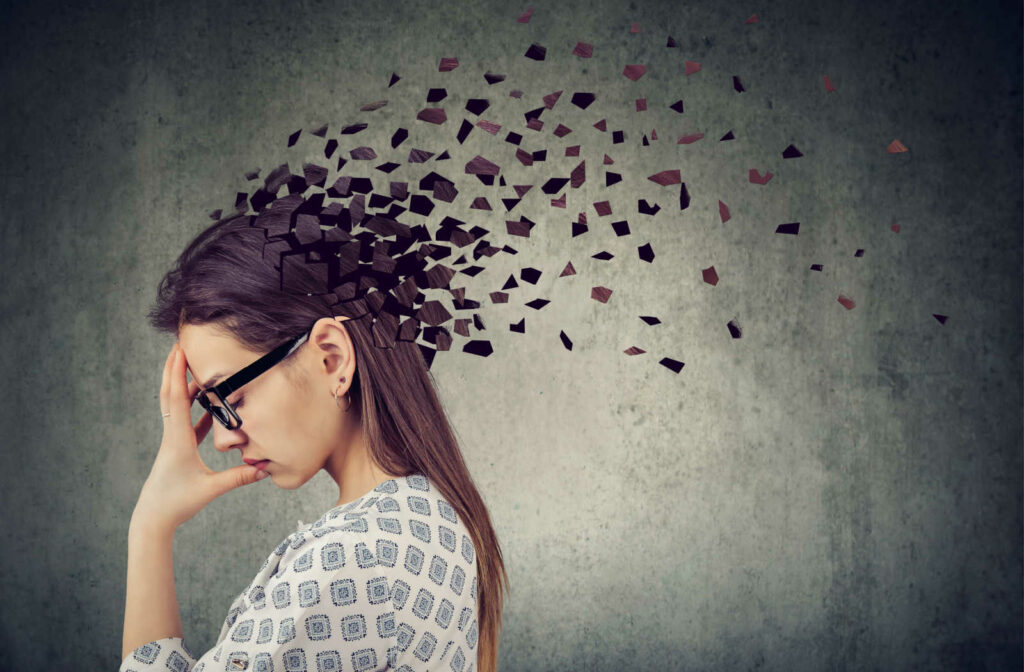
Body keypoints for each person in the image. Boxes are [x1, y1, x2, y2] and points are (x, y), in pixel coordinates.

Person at [120, 214, 508, 672]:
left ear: (331, 357)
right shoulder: (434, 517)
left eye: (230, 397)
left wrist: (149, 526)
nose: (221, 438)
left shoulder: (350, 559)